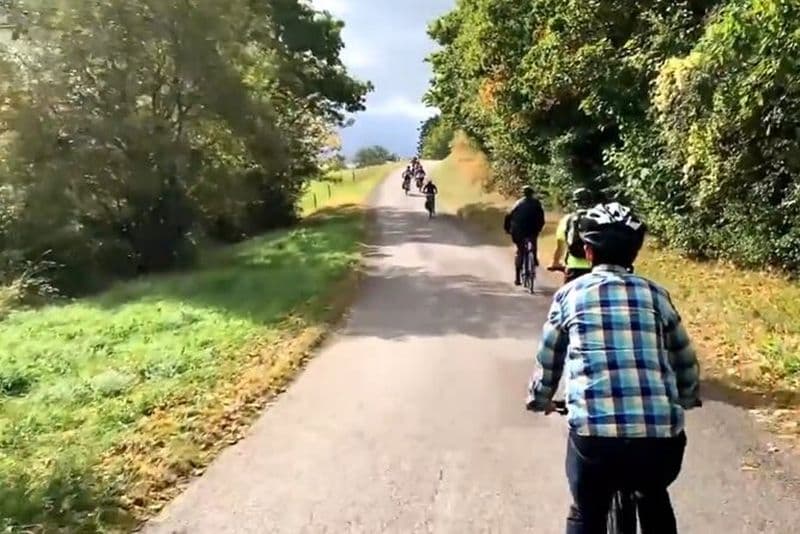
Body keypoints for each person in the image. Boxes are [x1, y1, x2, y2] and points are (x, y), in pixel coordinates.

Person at [526, 202, 701, 534]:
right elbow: (683, 356)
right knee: (654, 496)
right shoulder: (656, 295)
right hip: (658, 441)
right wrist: (688, 395)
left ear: (587, 252)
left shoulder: (569, 296)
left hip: (594, 439)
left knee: (586, 508)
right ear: (634, 253)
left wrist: (541, 398)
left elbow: (550, 357)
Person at [549, 188, 594, 284]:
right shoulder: (599, 218)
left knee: (567, 293)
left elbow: (560, 246)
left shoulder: (567, 219)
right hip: (595, 268)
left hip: (574, 268)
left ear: (575, 203)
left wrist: (555, 262)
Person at [503, 185, 545, 286]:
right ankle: (534, 258)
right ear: (532, 193)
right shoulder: (537, 203)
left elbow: (508, 216)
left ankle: (517, 278)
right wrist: (539, 228)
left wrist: (507, 229)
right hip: (532, 230)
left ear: (523, 193)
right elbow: (541, 217)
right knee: (533, 243)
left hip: (518, 231)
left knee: (520, 251)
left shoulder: (518, 203)